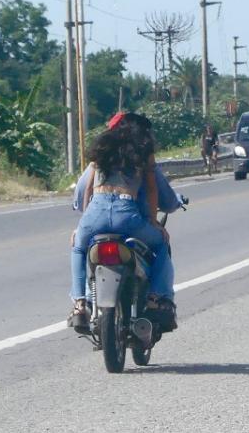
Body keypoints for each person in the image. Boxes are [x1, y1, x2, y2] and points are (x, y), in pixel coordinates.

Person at [69, 115, 174, 332]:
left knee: (79, 248)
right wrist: (154, 222)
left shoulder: (103, 146)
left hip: (95, 209)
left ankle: (80, 304)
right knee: (161, 244)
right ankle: (155, 298)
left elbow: (87, 188)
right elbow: (153, 189)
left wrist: (82, 225)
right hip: (126, 214)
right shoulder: (143, 150)